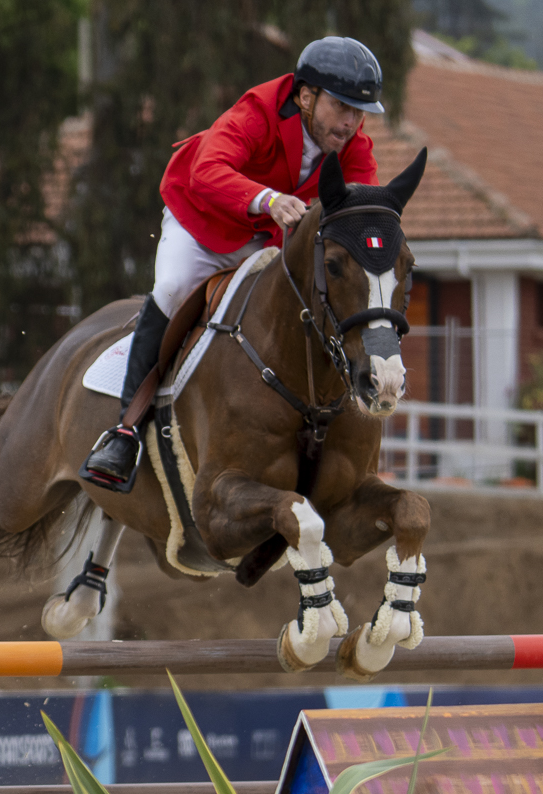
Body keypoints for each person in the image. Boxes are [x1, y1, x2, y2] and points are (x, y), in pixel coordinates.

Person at [82, 37, 385, 491]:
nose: (351, 123)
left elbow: (361, 211)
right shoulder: (258, 111)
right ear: (305, 96)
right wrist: (267, 199)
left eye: (359, 112)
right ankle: (125, 431)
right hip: (202, 224)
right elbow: (208, 170)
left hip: (265, 240)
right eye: (342, 106)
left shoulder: (353, 145)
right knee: (172, 287)